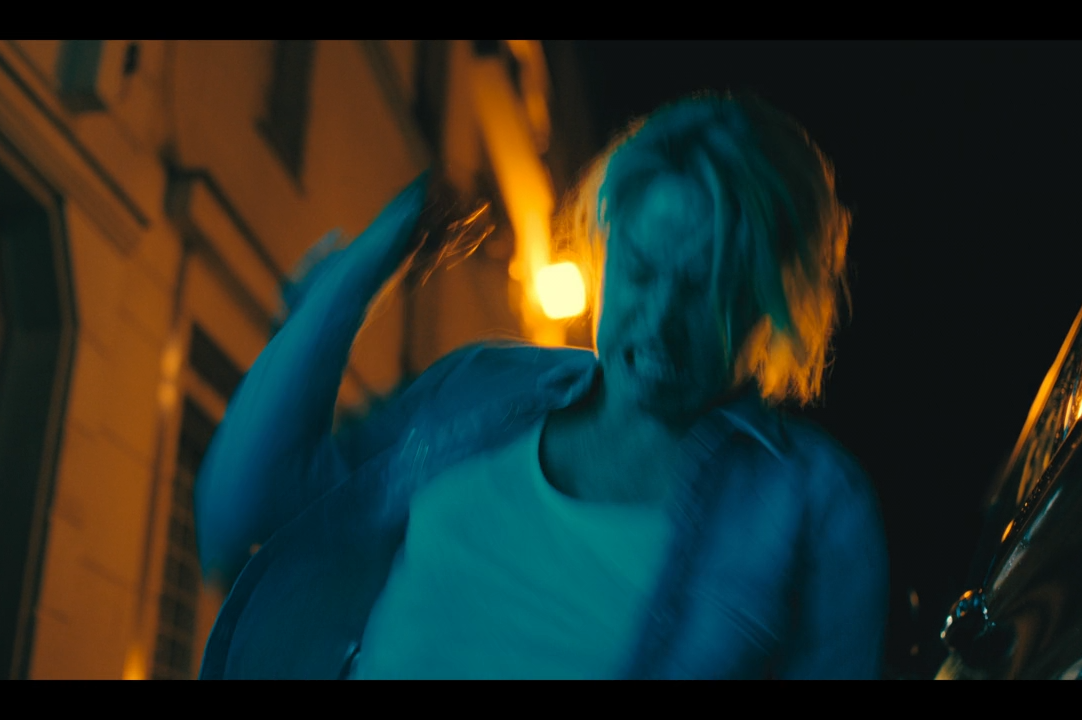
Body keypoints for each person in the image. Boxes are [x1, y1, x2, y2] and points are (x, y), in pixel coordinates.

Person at [193, 92, 889, 679]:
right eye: (641, 271)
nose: (661, 321)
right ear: (605, 254)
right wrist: (365, 268)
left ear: (772, 302)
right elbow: (244, 510)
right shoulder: (482, 389)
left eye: (708, 291)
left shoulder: (815, 507)